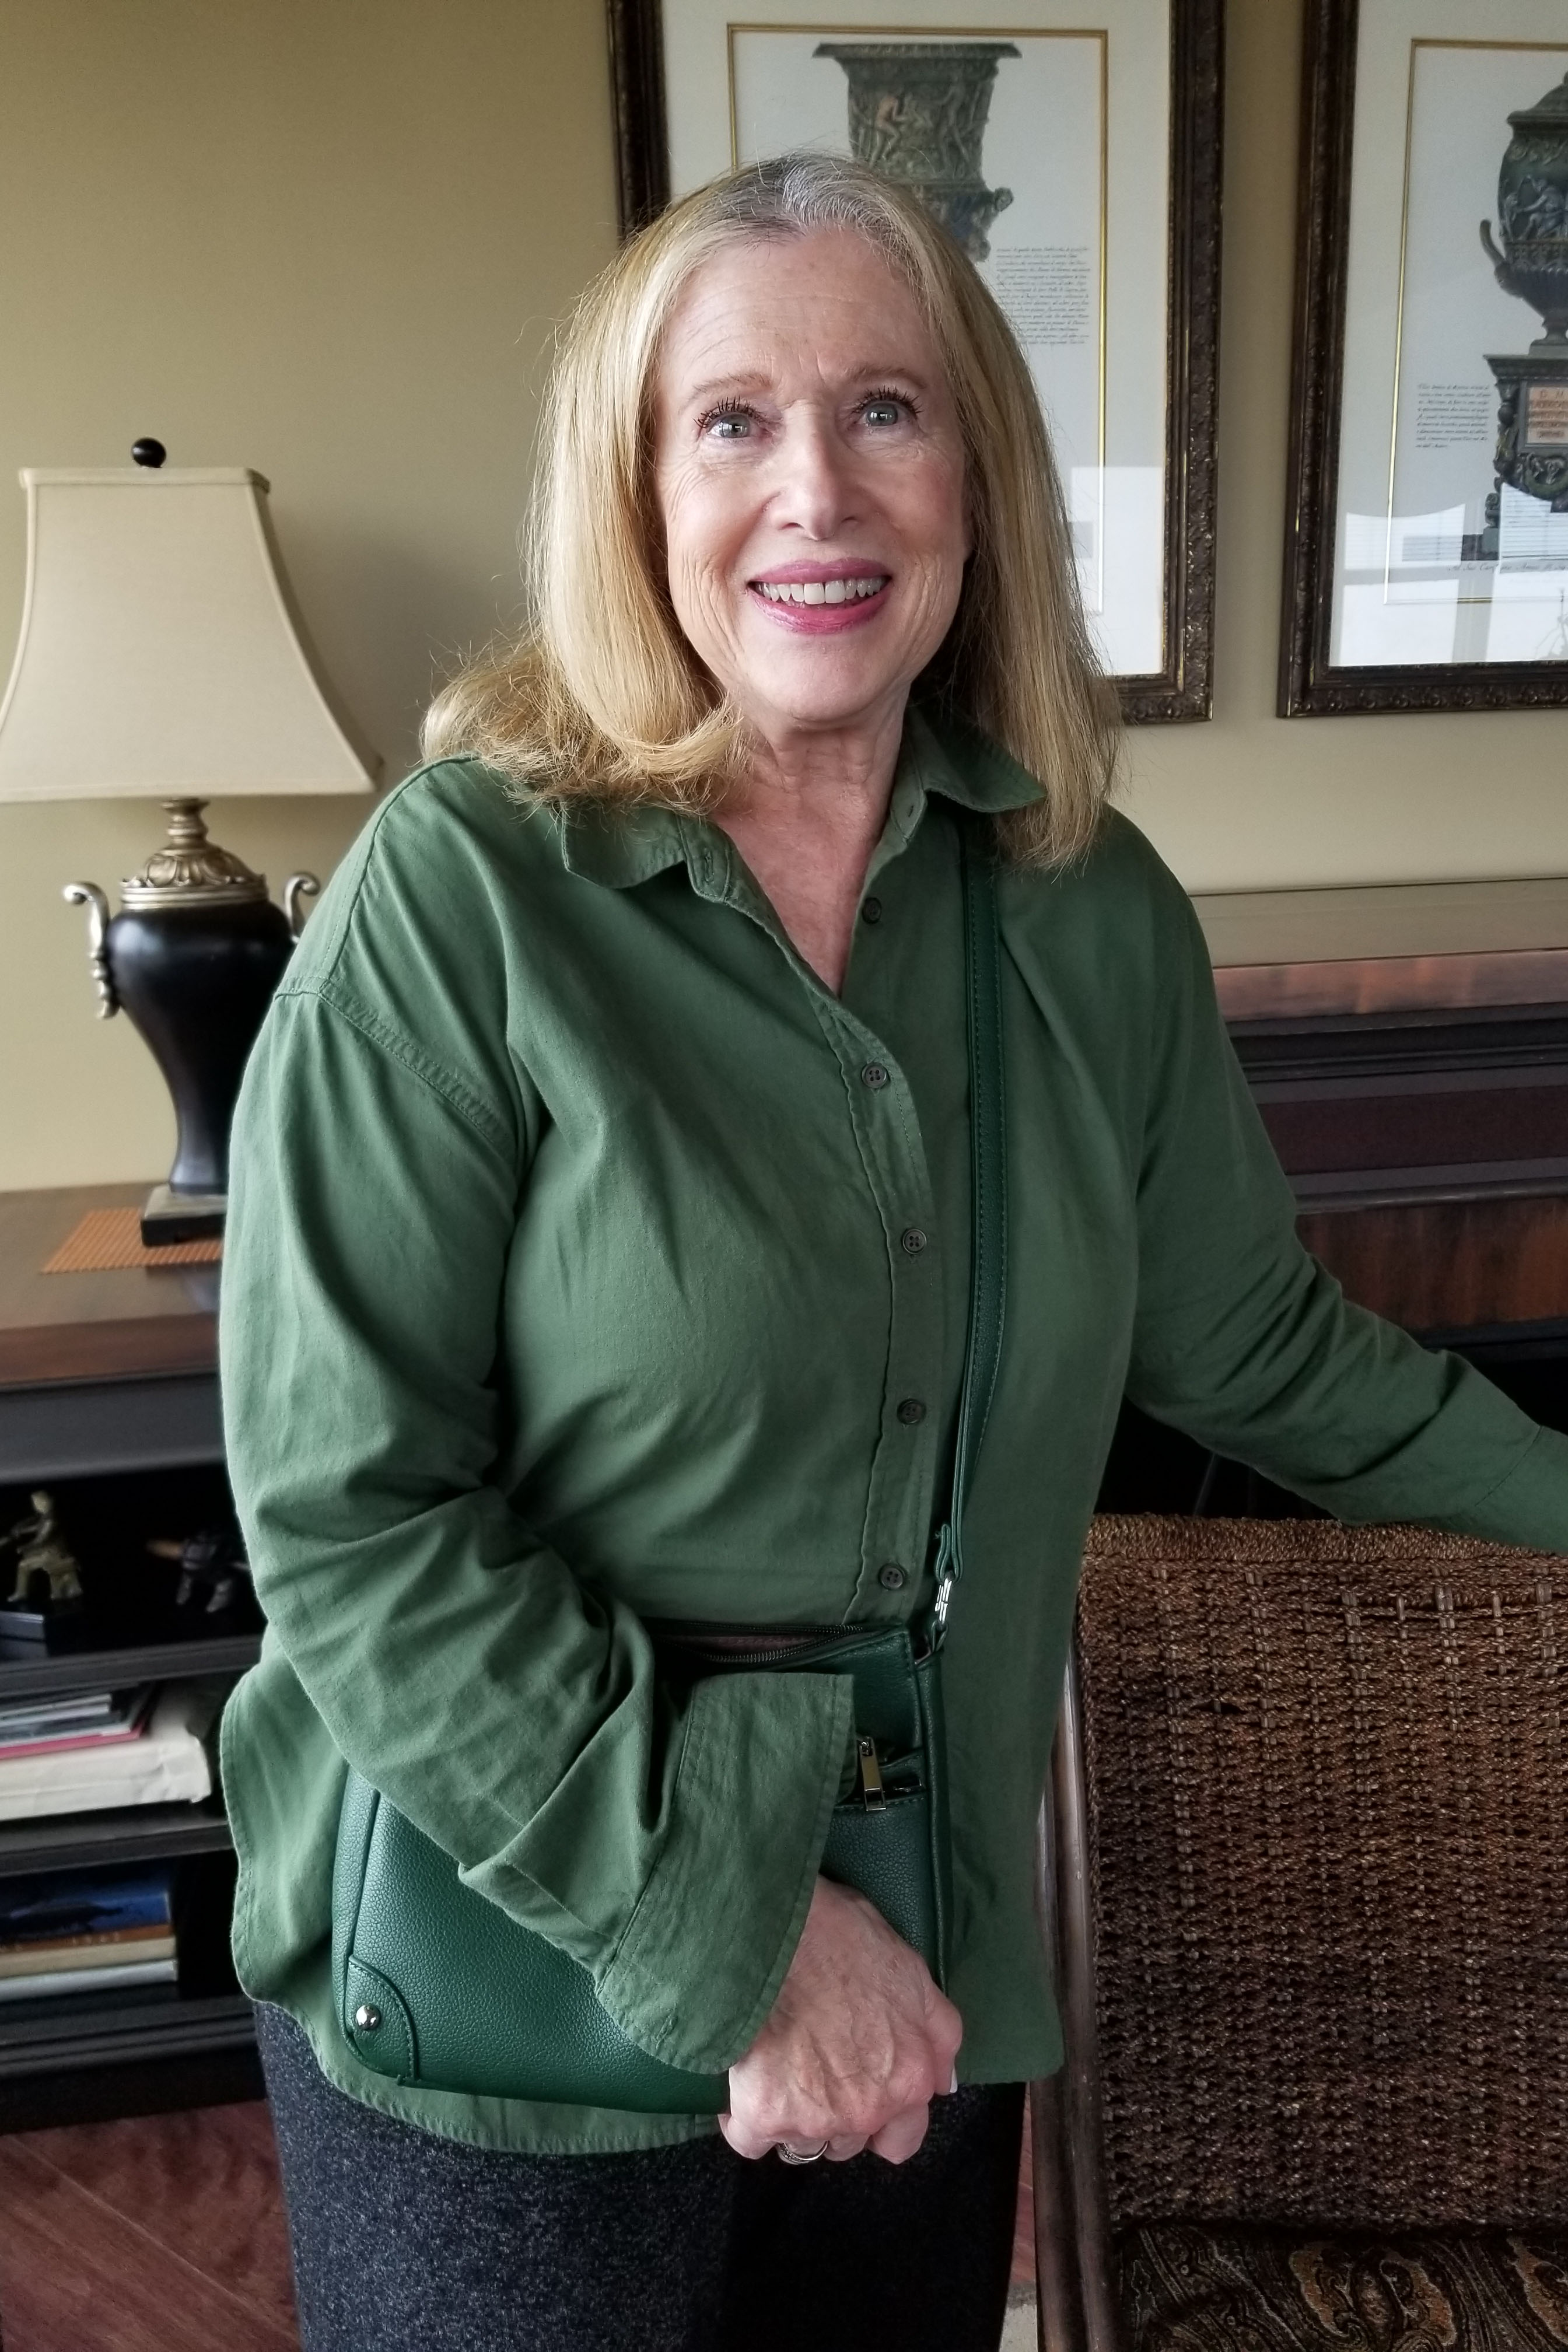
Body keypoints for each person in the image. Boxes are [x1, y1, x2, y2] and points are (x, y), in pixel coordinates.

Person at [218, 154, 1568, 2352]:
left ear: (979, 474)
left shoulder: (1089, 901)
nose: (816, 495)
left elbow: (1272, 1353)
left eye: (887, 410)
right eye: (731, 422)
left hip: (924, 1932)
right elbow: (351, 1521)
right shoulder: (465, 892)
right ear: (638, 492)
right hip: (506, 1955)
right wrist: (747, 1941)